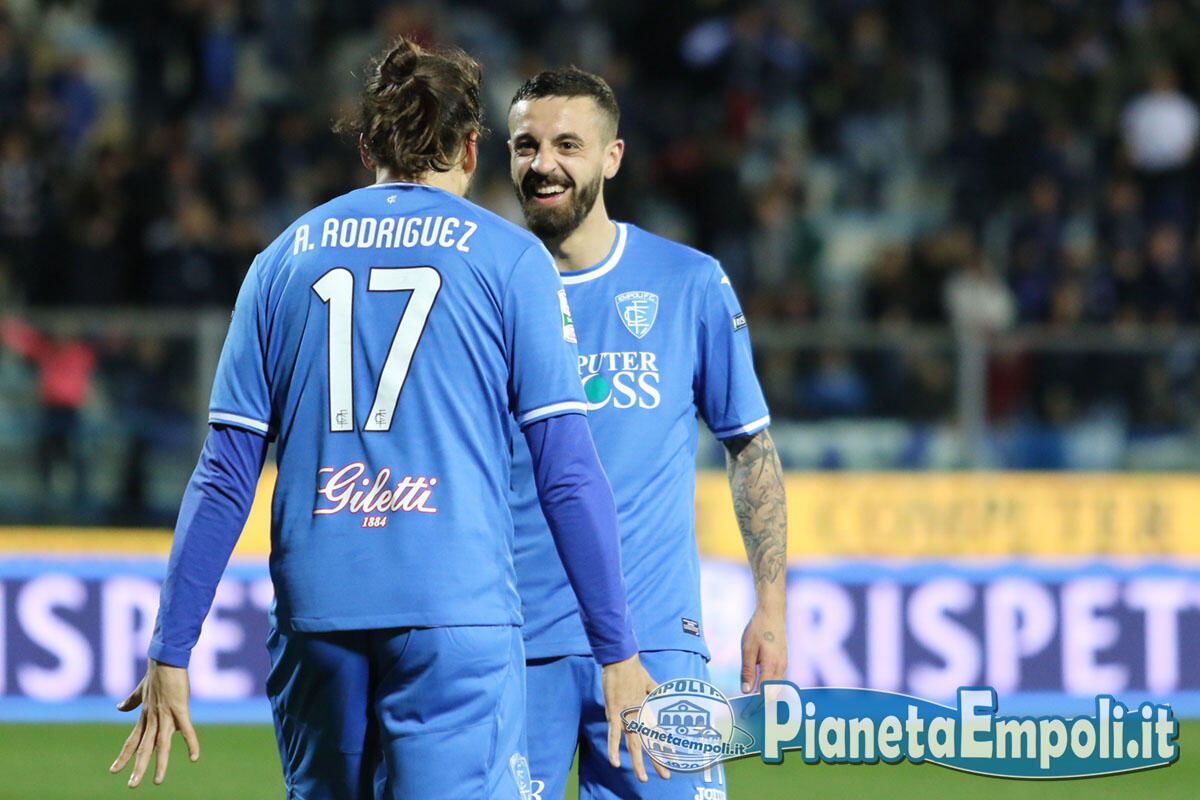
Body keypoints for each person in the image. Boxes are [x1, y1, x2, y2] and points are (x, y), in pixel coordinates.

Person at [109, 39, 660, 799]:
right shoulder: (510, 260)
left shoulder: (281, 260)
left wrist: (172, 648)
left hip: (318, 612)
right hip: (455, 611)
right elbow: (566, 471)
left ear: (367, 148)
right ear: (471, 148)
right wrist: (617, 651)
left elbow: (225, 473)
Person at [506, 68, 788, 800]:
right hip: (512, 643)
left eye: (568, 145)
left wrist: (771, 605)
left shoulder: (687, 282)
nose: (543, 164)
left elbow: (749, 446)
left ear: (613, 157)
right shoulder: (484, 289)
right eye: (527, 145)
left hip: (658, 640)